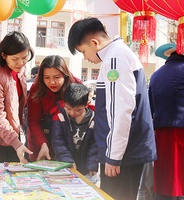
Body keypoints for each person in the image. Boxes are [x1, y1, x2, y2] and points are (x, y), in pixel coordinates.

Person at [67, 17, 157, 200]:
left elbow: (120, 111)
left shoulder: (115, 59)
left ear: (94, 42)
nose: (86, 58)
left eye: (84, 52)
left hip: (123, 154)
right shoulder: (119, 54)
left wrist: (114, 157)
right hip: (125, 151)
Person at [0, 31, 34, 164]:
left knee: (13, 174)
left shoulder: (20, 70)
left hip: (11, 133)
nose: (20, 63)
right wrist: (16, 143)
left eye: (24, 58)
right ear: (4, 56)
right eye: (15, 59)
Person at [27, 55, 82, 161]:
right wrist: (42, 143)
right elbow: (33, 120)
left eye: (56, 77)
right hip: (41, 139)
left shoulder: (76, 85)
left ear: (64, 75)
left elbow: (83, 115)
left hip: (68, 141)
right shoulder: (37, 88)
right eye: (46, 77)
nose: (51, 82)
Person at [149, 43, 184, 200]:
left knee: (164, 184)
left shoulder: (156, 75)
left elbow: (150, 107)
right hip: (181, 135)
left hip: (161, 137)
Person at [50, 83, 98, 178]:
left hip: (85, 167)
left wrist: (92, 164)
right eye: (68, 108)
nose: (72, 113)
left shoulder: (94, 119)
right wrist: (67, 161)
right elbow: (58, 142)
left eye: (78, 110)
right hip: (64, 167)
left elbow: (95, 145)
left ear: (86, 104)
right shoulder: (59, 117)